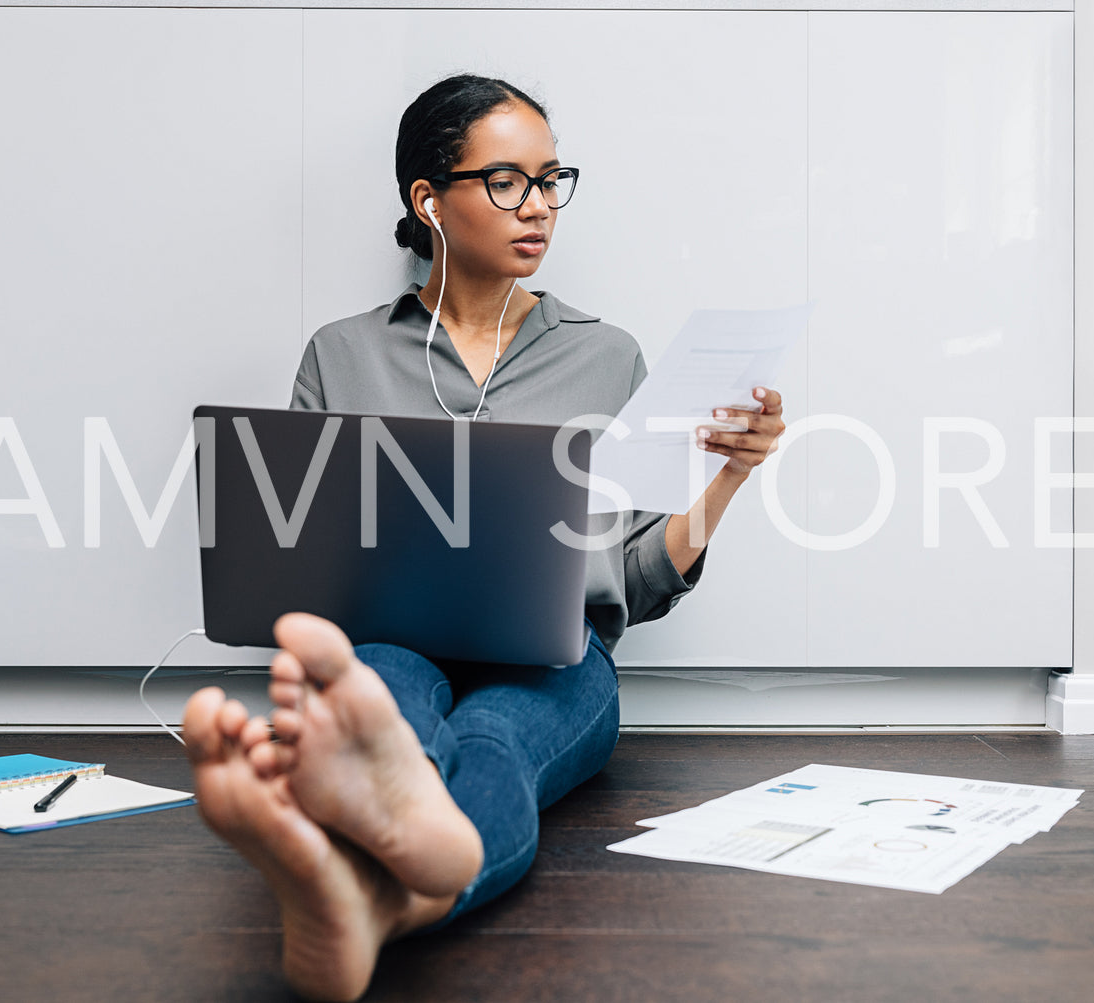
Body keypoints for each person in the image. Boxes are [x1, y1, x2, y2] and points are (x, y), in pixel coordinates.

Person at [181, 74, 788, 1002]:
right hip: (386, 644)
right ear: (428, 199)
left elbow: (632, 579)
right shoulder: (340, 354)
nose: (538, 206)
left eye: (551, 180)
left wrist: (726, 481)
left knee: (495, 738)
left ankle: (367, 894)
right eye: (507, 181)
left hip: (555, 659)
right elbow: (294, 560)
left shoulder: (606, 354)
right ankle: (384, 893)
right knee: (386, 711)